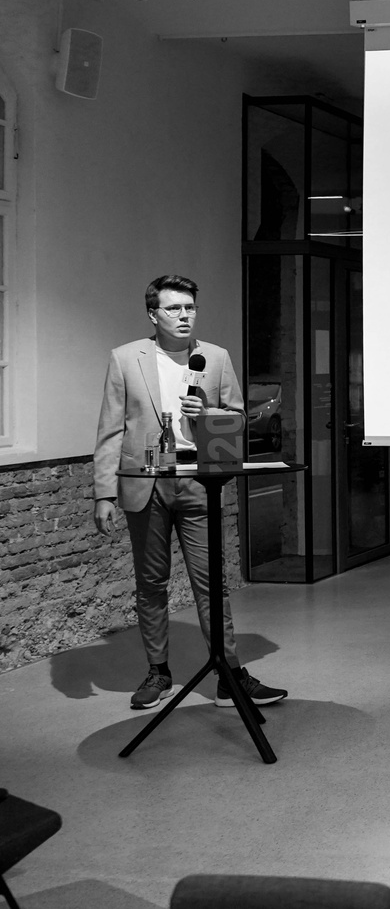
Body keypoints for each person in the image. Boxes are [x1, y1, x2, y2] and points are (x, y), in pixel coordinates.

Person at [93, 275, 288, 711]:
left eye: (190, 308)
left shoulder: (215, 357)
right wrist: (103, 493)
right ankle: (158, 672)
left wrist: (210, 411)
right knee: (151, 582)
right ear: (153, 314)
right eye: (174, 308)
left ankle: (230, 675)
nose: (184, 316)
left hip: (201, 480)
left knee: (211, 582)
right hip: (146, 480)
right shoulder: (125, 358)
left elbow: (239, 417)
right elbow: (110, 429)